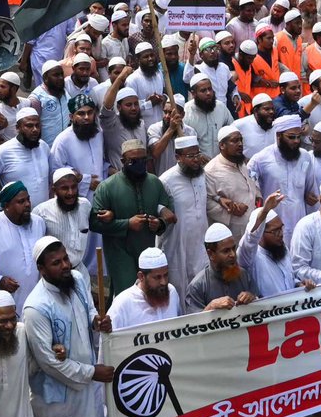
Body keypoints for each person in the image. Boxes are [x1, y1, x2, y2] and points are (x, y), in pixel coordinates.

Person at [23, 237, 113, 417]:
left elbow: (89, 308)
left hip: (88, 388)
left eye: (65, 259)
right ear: (41, 269)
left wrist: (96, 321)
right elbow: (49, 363)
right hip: (57, 398)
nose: (65, 265)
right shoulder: (36, 307)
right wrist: (92, 372)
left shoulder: (76, 279)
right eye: (56, 263)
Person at [90, 139, 176, 295]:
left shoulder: (154, 182)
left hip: (148, 251)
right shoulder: (107, 187)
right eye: (133, 161)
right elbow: (94, 223)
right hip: (120, 254)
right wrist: (127, 224)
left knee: (152, 295)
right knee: (128, 295)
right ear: (123, 161)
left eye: (143, 160)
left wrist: (160, 223)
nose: (139, 164)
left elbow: (168, 211)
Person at [0, 181, 47, 312]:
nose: (27, 204)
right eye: (21, 202)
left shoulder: (38, 222)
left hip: (36, 297)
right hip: (4, 299)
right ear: (6, 206)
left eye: (28, 199)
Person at [156, 136, 210, 295]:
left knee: (201, 284)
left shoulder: (201, 175)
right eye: (190, 156)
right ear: (178, 158)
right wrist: (161, 210)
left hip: (200, 241)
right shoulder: (166, 180)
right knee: (179, 287)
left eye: (197, 154)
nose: (196, 160)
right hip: (177, 243)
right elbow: (154, 203)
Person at [237, 192, 307, 299]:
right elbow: (250, 239)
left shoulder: (281, 249)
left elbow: (289, 279)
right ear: (260, 233)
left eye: (281, 228)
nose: (281, 234)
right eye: (275, 231)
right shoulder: (250, 257)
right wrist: (265, 211)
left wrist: (299, 284)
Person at [185, 222, 259, 314]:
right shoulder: (197, 286)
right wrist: (211, 307)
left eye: (233, 248)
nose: (232, 254)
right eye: (226, 251)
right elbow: (192, 325)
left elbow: (261, 307)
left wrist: (252, 298)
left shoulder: (244, 276)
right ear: (211, 254)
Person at [203, 125, 261, 240]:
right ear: (222, 145)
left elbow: (251, 182)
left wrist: (257, 196)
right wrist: (231, 212)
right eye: (234, 141)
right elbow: (207, 201)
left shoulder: (240, 161)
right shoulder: (211, 170)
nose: (240, 144)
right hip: (231, 230)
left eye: (241, 140)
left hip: (253, 224)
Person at [108, 247, 183, 328]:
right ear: (141, 276)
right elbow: (109, 339)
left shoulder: (171, 292)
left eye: (166, 275)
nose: (163, 282)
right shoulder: (123, 303)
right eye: (157, 277)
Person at [33, 167, 92, 269]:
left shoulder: (85, 205)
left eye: (74, 187)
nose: (70, 193)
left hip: (80, 271)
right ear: (54, 190)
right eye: (64, 188)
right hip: (55, 277)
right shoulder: (41, 212)